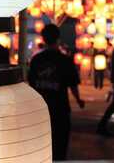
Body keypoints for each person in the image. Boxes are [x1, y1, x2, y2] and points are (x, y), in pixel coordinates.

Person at [28, 24, 85, 161]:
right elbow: (73, 84)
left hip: (41, 110)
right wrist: (78, 100)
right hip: (60, 110)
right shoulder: (65, 60)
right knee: (60, 147)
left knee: (42, 146)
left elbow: (31, 84)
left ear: (43, 39)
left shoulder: (36, 60)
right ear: (58, 39)